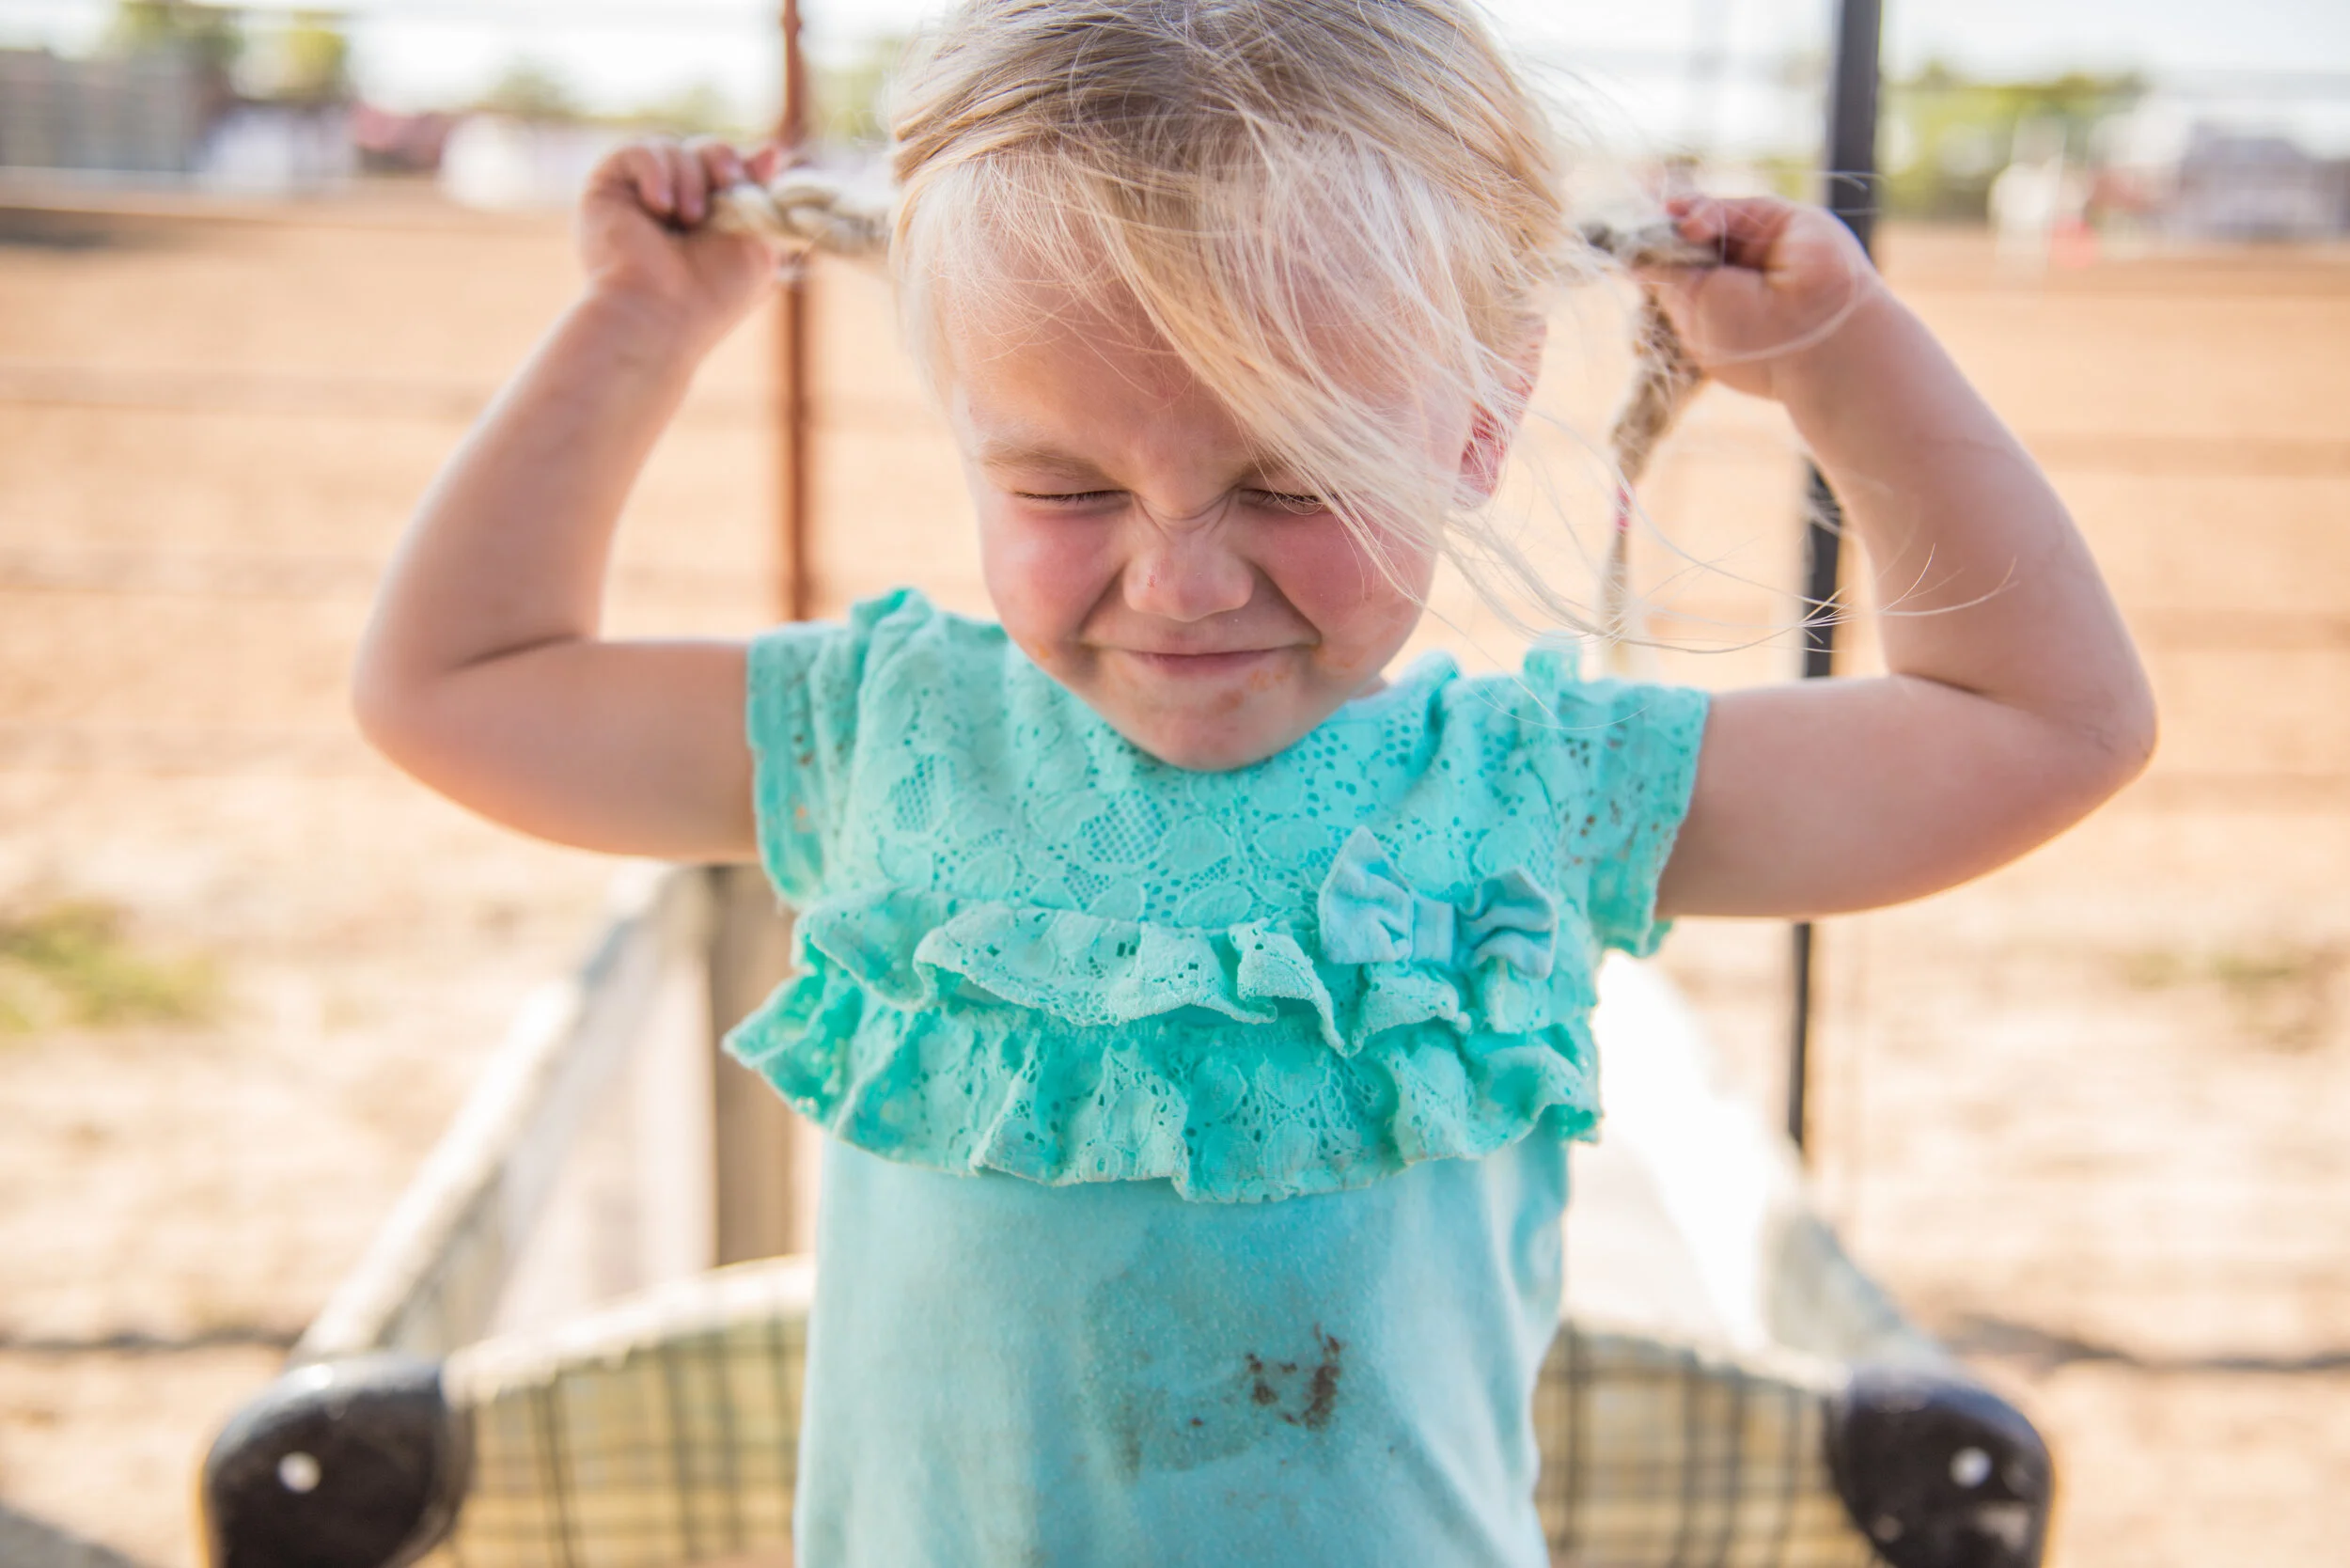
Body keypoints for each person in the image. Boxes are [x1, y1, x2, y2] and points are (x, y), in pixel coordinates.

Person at [351, 1, 2155, 1561]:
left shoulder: (1529, 794)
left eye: (1294, 481)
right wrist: (638, 326)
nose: (1185, 580)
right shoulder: (890, 740)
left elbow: (2042, 723)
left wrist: (1843, 362)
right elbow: (456, 686)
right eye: (1063, 492)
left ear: (1472, 420)